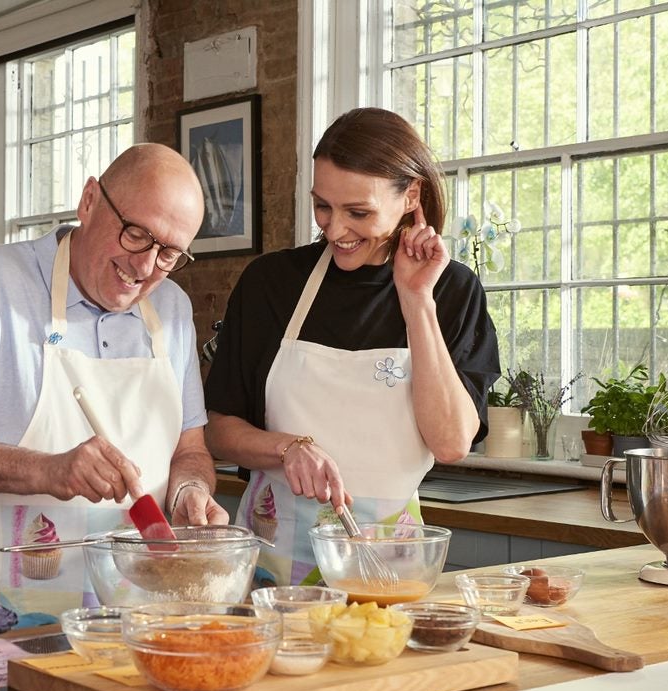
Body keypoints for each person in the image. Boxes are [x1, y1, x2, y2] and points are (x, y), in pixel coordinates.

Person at [0, 143, 229, 623]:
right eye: (137, 234)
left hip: (129, 613)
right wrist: (48, 471)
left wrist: (188, 494)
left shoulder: (172, 310)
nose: (145, 267)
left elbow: (189, 450)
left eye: (170, 253)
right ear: (90, 200)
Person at [203, 107, 501, 588]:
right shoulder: (271, 283)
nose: (334, 229)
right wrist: (287, 448)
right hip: (272, 559)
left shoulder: (451, 290)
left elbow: (450, 443)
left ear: (411, 196)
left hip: (388, 559)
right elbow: (219, 432)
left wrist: (416, 299)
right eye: (323, 206)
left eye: (358, 212)